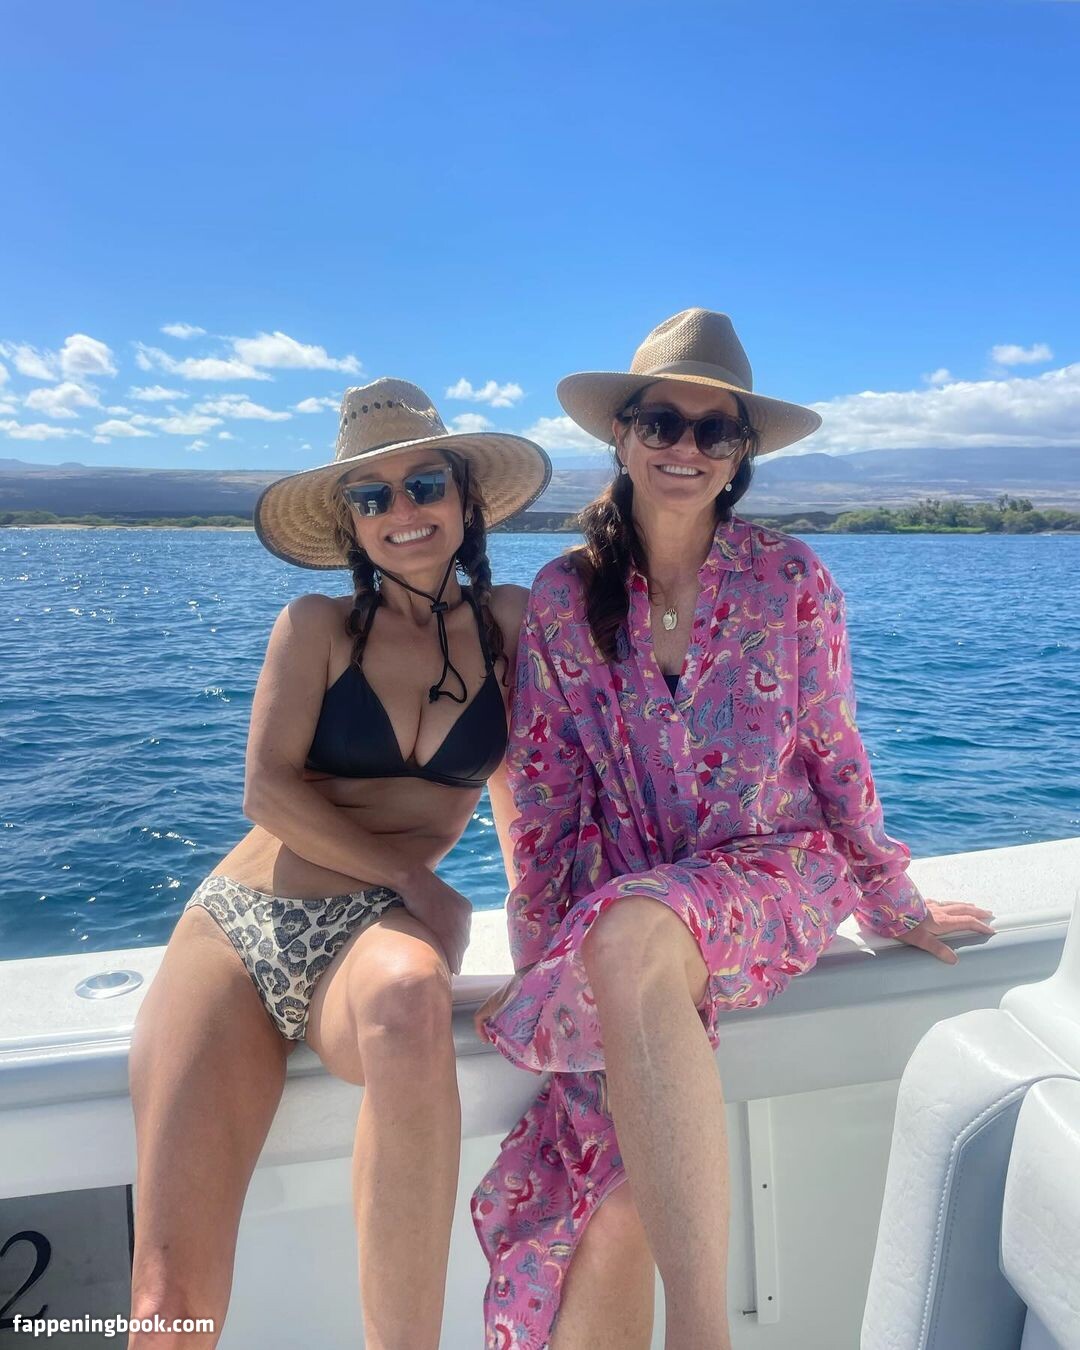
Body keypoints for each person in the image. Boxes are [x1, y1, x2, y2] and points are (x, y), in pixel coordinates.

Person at [471, 310, 996, 1350]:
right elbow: (548, 804)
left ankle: (702, 1334)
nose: (687, 447)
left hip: (771, 875)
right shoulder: (566, 598)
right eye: (662, 422)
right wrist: (543, 969)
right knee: (605, 1196)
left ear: (741, 452)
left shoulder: (788, 578)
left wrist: (893, 902)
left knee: (631, 937)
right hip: (631, 907)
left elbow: (837, 757)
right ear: (621, 435)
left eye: (715, 430)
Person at [127, 379, 549, 1349]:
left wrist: (541, 939)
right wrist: (415, 880)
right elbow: (267, 792)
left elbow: (526, 791)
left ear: (465, 498)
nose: (403, 510)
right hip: (238, 925)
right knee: (164, 1304)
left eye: (425, 483)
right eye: (372, 495)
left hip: (371, 943)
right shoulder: (315, 627)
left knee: (406, 995)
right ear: (352, 523)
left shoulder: (514, 625)